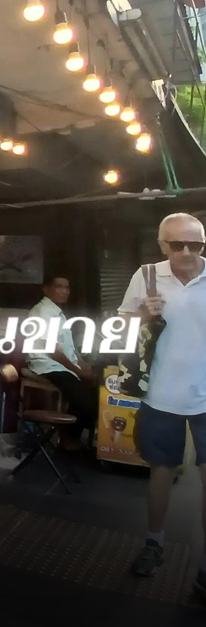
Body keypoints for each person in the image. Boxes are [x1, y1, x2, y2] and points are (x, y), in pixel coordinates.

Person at [121, 213, 206, 598]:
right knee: (161, 471)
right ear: (161, 245)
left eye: (196, 244)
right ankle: (154, 542)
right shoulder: (147, 276)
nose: (186, 252)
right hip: (161, 394)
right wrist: (143, 314)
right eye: (177, 244)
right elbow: (120, 329)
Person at [25, 273, 97, 450]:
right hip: (47, 364)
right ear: (46, 289)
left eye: (67, 287)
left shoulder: (58, 313)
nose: (65, 291)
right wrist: (79, 372)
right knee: (84, 400)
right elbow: (53, 351)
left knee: (96, 392)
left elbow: (69, 348)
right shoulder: (43, 312)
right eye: (59, 287)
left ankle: (73, 437)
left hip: (61, 365)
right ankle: (67, 440)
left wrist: (83, 365)